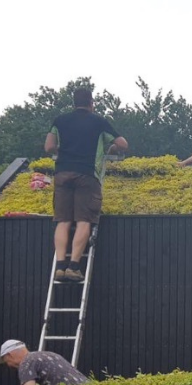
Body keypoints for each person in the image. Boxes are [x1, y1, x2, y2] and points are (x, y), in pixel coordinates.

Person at [44, 88, 128, 282]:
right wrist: (112, 146)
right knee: (84, 220)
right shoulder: (98, 122)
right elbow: (123, 144)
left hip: (62, 174)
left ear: (74, 103)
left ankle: (59, 266)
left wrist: (65, 150)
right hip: (87, 175)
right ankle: (74, 266)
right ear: (92, 103)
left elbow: (49, 146)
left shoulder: (60, 120)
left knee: (63, 221)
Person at [0, 339, 88, 385]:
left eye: (7, 361)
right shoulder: (49, 354)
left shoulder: (26, 363)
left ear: (10, 355)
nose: (9, 365)